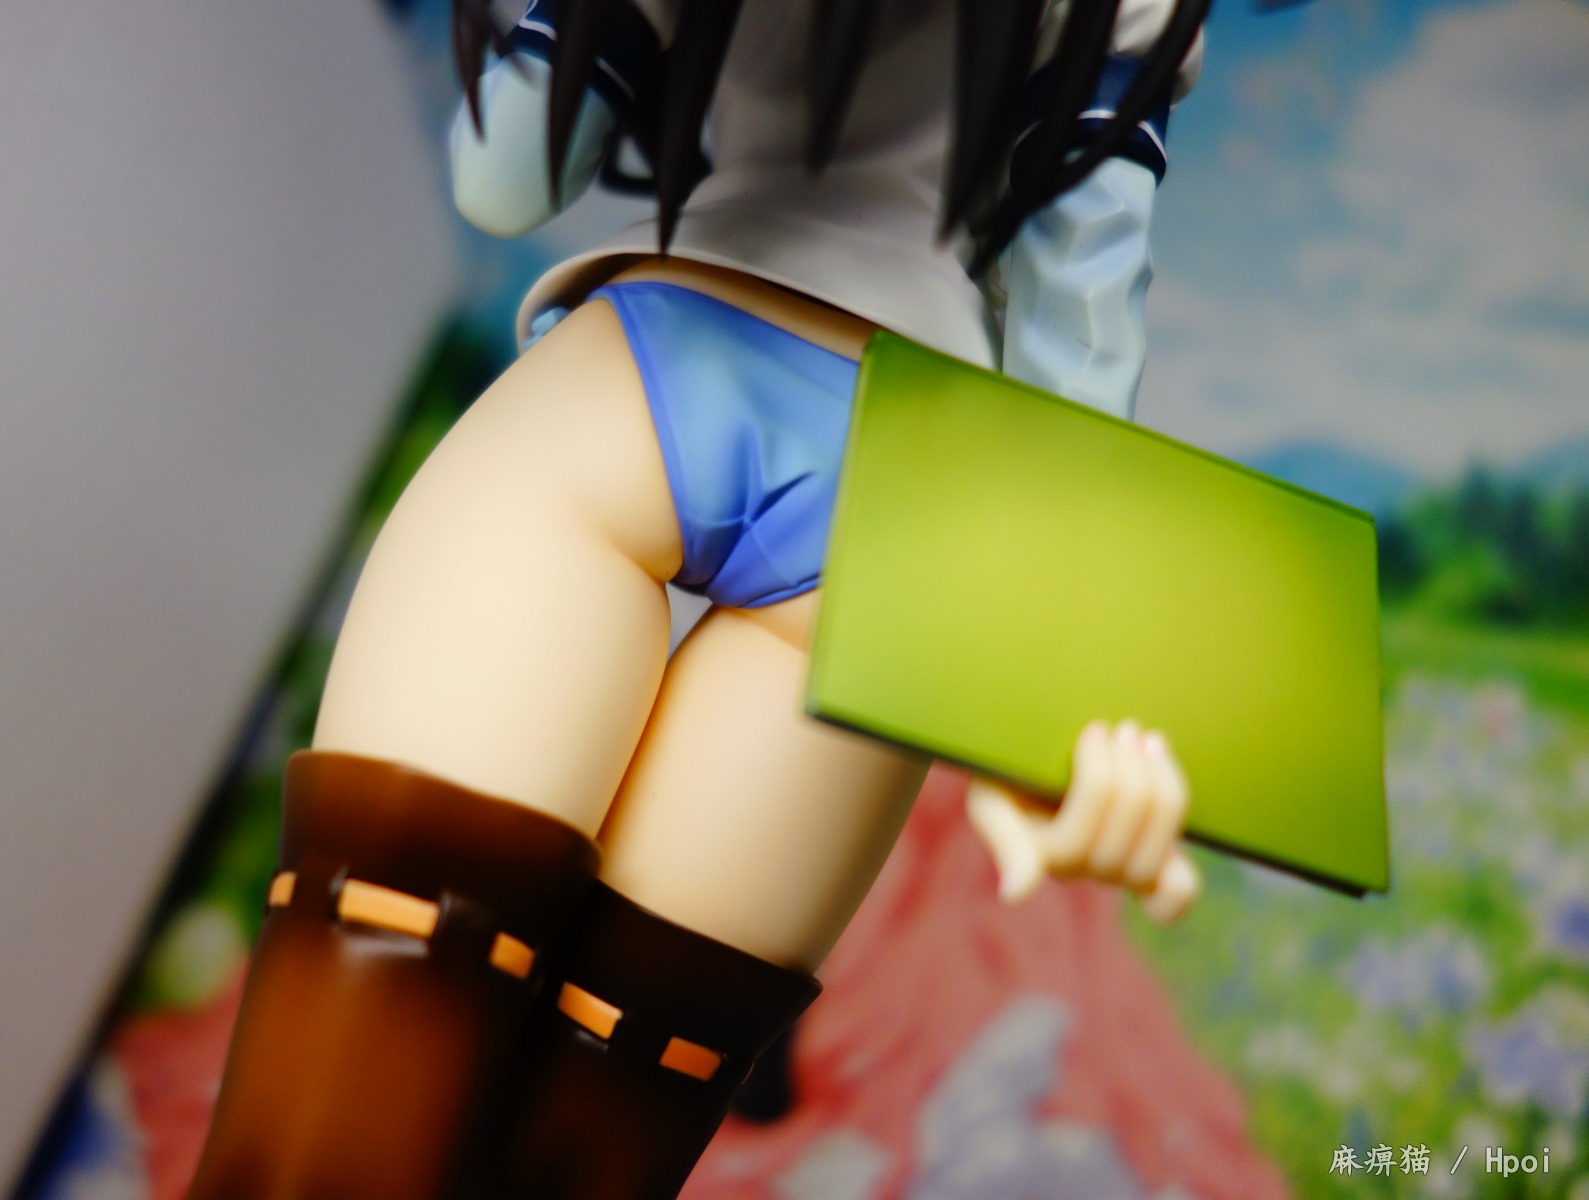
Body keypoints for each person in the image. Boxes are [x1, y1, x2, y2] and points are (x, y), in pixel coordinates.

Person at [188, 0, 1208, 1196]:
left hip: (644, 389)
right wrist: (1048, 710)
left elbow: (506, 175)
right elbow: (1077, 359)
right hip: (890, 500)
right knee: (594, 1118)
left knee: (361, 1043)